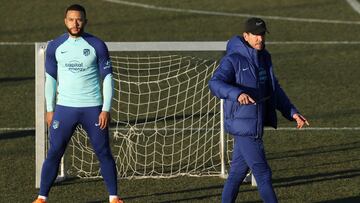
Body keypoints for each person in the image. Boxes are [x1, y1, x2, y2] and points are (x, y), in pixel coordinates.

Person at [208, 17, 309, 203]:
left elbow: (274, 90)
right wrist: (237, 93)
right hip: (244, 127)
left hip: (255, 124)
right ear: (246, 36)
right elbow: (214, 83)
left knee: (237, 174)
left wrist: (292, 112)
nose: (260, 39)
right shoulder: (233, 60)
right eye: (255, 35)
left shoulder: (264, 57)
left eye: (262, 34)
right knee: (263, 174)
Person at [33, 4, 123, 203]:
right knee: (55, 151)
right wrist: (50, 109)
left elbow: (108, 79)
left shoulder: (97, 45)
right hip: (65, 109)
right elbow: (51, 79)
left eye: (79, 19)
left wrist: (106, 109)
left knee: (103, 151)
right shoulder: (55, 46)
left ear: (85, 21)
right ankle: (41, 198)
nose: (75, 23)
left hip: (93, 108)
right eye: (71, 19)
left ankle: (114, 197)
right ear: (65, 21)